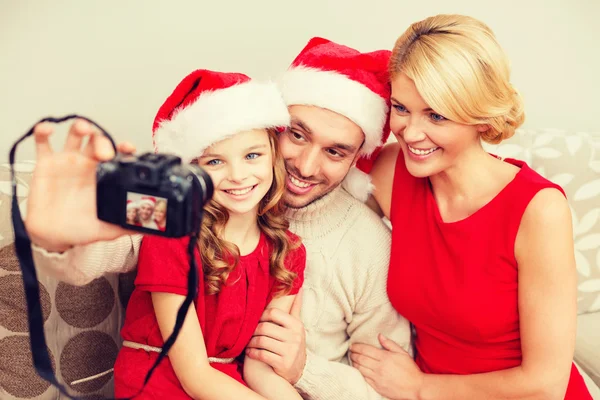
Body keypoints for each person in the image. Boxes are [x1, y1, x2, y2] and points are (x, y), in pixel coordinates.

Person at [27, 38, 411, 399]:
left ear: (357, 158)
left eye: (336, 151)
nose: (306, 165)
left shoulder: (358, 244)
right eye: (296, 134)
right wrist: (62, 239)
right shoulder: (186, 206)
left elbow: (386, 387)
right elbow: (110, 243)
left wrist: (304, 368)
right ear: (270, 127)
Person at [350, 14, 593, 400]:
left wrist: (418, 387)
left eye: (436, 115)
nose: (412, 133)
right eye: (401, 108)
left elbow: (546, 385)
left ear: (481, 116)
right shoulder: (389, 171)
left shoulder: (538, 210)